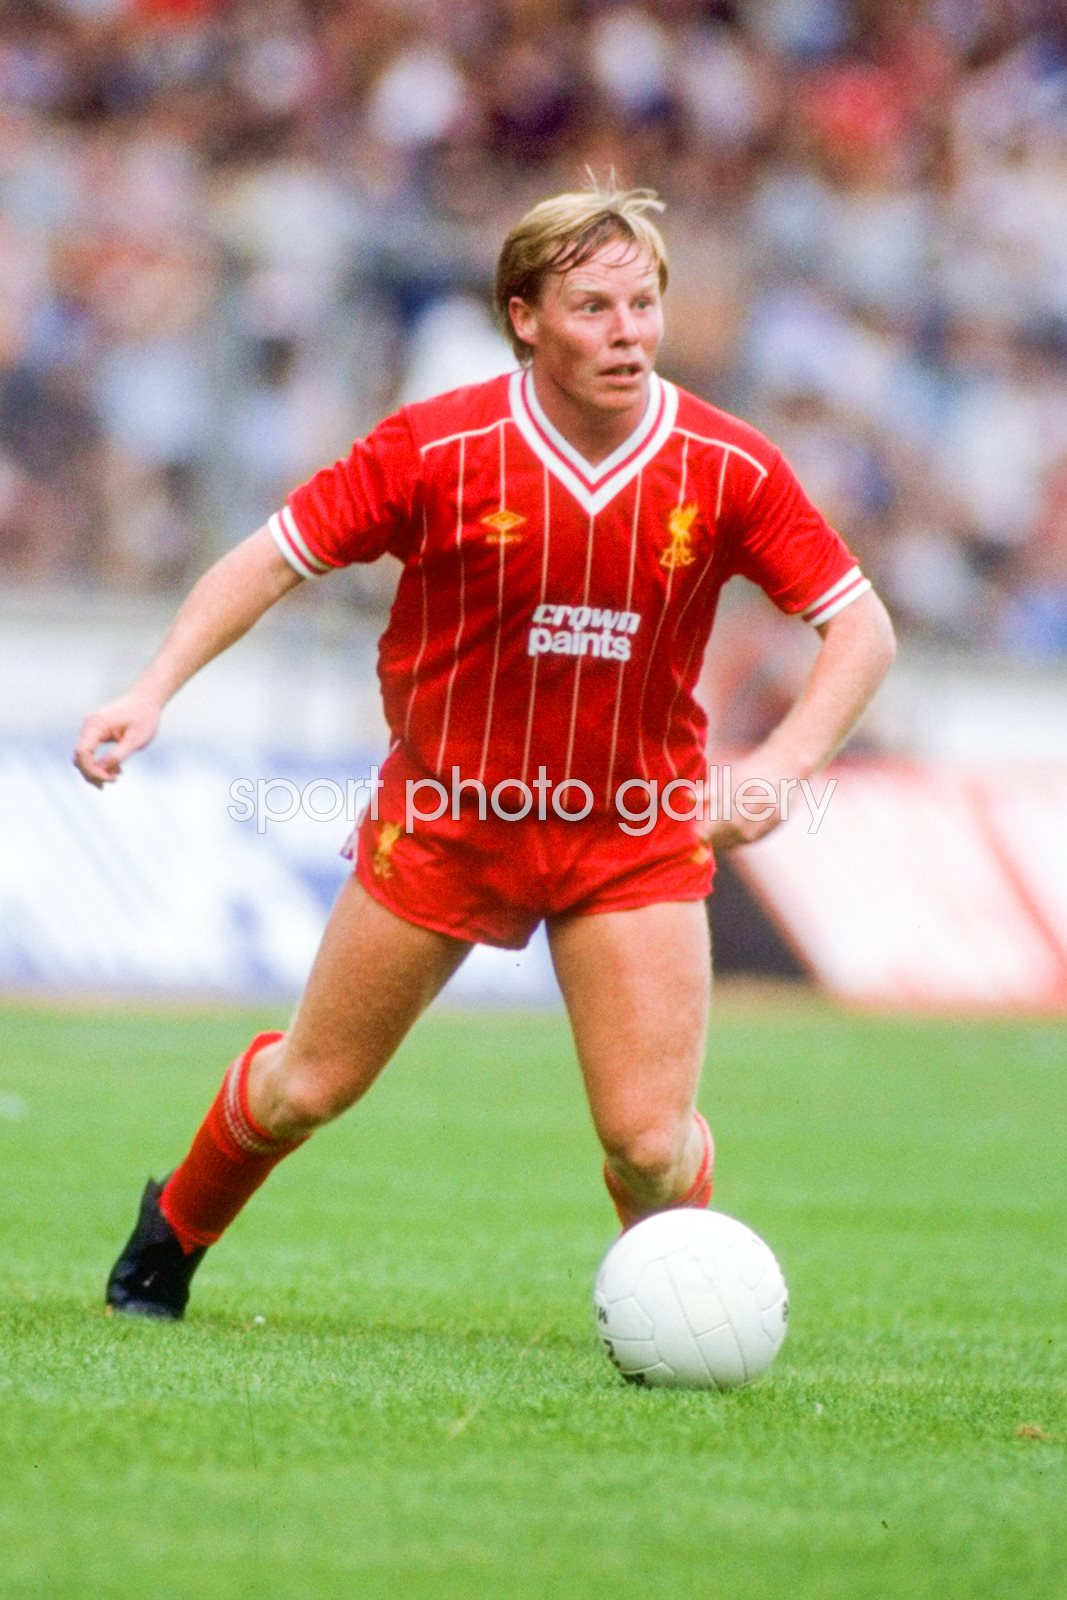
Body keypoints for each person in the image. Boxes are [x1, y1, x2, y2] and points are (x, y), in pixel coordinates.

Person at [74, 185, 896, 1320]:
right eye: (595, 306)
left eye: (644, 304)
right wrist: (151, 687)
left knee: (649, 1143)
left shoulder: (726, 465)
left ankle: (680, 1308)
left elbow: (860, 625)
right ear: (524, 316)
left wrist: (778, 766)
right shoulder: (435, 446)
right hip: (449, 817)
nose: (628, 332)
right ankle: (173, 1228)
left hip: (632, 830)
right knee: (307, 1087)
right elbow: (269, 558)